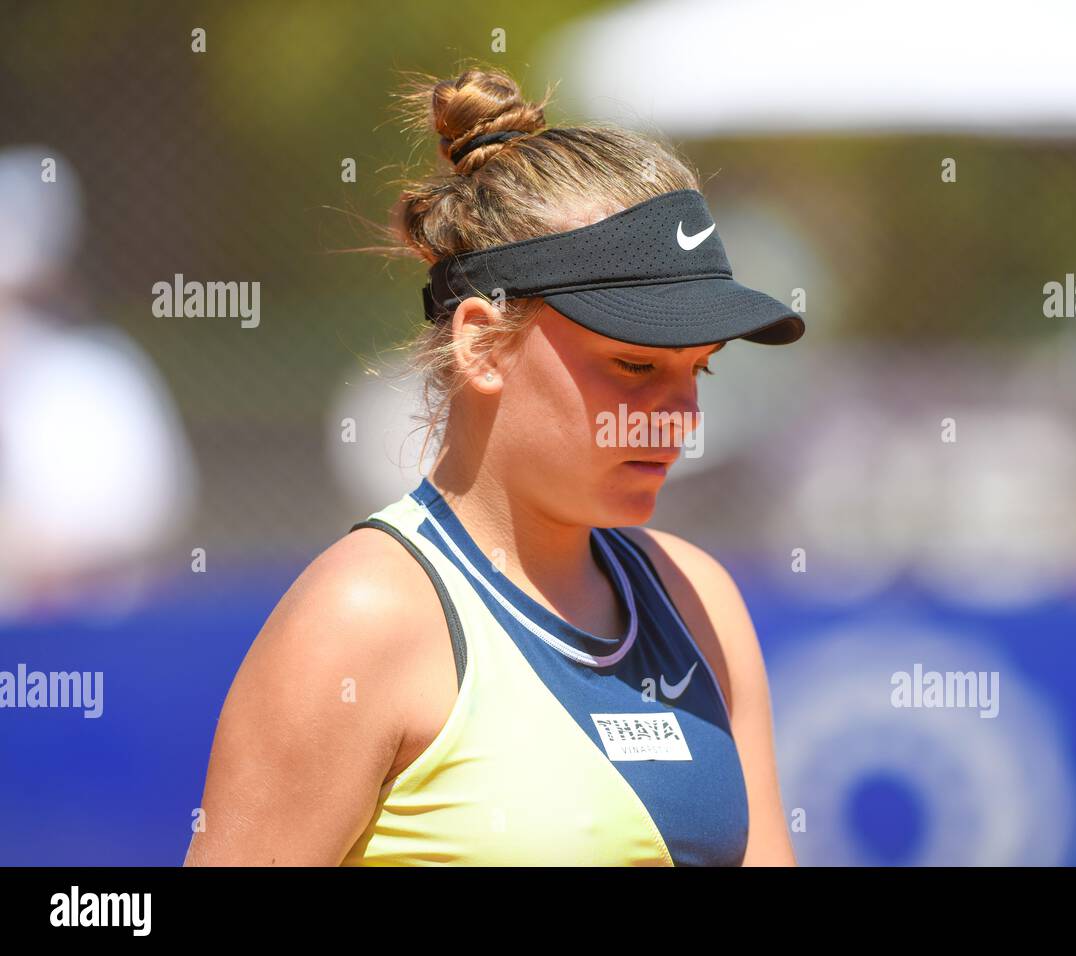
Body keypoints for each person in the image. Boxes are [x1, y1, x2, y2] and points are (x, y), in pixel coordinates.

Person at [185, 66, 804, 866]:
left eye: (701, 369)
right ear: (480, 342)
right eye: (635, 366)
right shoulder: (362, 617)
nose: (684, 419)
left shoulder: (699, 599)